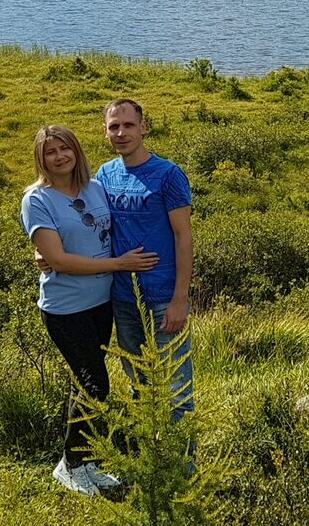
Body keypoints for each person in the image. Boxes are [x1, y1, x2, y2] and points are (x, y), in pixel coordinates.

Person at [21, 124, 159, 496]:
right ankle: (71, 465)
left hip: (102, 303)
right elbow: (60, 261)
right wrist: (117, 265)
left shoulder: (95, 188)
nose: (59, 156)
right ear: (41, 159)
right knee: (95, 383)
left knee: (83, 382)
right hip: (66, 308)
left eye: (65, 148)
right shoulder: (36, 199)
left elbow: (112, 232)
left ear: (77, 151)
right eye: (50, 151)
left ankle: (86, 461)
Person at [95, 98, 197, 424]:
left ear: (144, 128)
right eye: (114, 126)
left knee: (177, 386)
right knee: (139, 381)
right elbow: (87, 222)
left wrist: (180, 299)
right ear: (106, 132)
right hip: (123, 298)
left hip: (164, 297)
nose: (121, 133)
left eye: (128, 125)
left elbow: (184, 237)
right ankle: (149, 458)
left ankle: (184, 469)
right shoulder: (104, 174)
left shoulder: (168, 175)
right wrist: (47, 254)